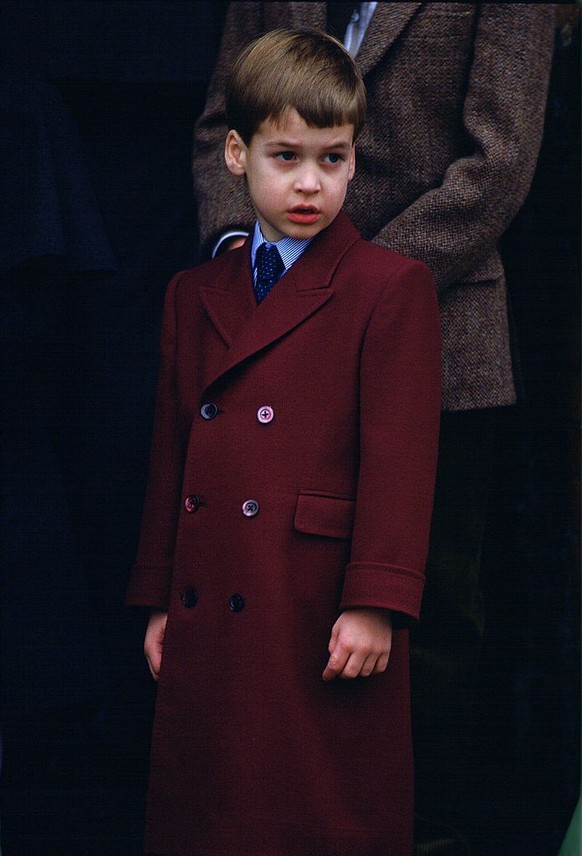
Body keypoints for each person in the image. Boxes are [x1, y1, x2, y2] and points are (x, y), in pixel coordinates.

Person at [192, 4, 556, 852]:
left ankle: (417, 834)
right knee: (276, 596)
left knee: (422, 614)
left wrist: (356, 292)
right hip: (264, 320)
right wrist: (242, 259)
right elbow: (223, 119)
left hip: (436, 329)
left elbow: (497, 161)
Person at [127, 28, 441, 856]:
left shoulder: (390, 286)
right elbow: (173, 456)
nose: (310, 183)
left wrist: (376, 601)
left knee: (315, 805)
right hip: (212, 590)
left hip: (314, 597)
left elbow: (402, 462)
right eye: (286, 156)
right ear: (236, 155)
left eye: (333, 159)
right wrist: (160, 594)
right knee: (210, 808)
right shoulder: (193, 292)